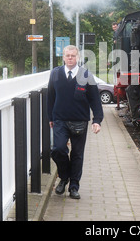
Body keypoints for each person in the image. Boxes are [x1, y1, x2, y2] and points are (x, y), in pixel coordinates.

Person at [47, 45, 103, 199]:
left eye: (73, 55)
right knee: (58, 150)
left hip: (80, 121)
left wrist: (97, 120)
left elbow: (95, 100)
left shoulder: (86, 75)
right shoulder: (56, 74)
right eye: (67, 55)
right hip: (60, 120)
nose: (70, 58)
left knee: (77, 154)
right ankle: (64, 177)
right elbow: (50, 97)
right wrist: (50, 118)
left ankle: (74, 186)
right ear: (63, 57)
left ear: (77, 57)